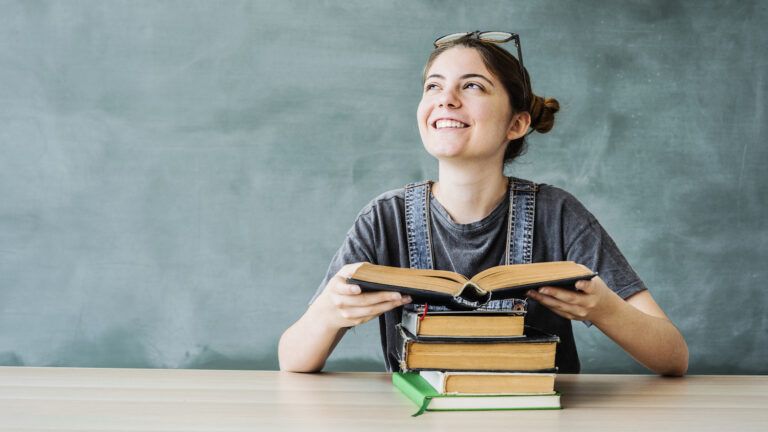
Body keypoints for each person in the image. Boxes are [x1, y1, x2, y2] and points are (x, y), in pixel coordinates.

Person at [278, 31, 688, 376]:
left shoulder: (558, 214)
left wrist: (606, 310)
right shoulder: (385, 219)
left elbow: (673, 356)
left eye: (472, 85)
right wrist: (327, 315)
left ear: (517, 123)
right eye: (433, 85)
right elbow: (292, 360)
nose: (447, 99)